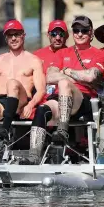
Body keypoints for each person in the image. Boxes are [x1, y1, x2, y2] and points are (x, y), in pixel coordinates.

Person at [20, 15, 104, 165]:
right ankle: (34, 156)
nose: (80, 34)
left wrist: (67, 72)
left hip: (83, 100)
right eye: (76, 30)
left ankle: (62, 132)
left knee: (64, 83)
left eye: (84, 31)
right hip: (61, 97)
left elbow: (91, 77)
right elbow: (50, 76)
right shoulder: (63, 53)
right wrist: (78, 75)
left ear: (91, 33)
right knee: (42, 109)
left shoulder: (99, 54)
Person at [0, 19, 46, 164]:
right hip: (2, 101)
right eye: (10, 35)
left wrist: (31, 105)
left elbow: (41, 90)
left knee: (12, 83)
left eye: (17, 34)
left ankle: (4, 131)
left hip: (22, 100)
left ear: (23, 36)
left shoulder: (34, 60)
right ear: (6, 38)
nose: (13, 38)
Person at [19, 20, 69, 165]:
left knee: (44, 109)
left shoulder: (71, 54)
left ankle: (40, 155)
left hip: (60, 101)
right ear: (48, 35)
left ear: (66, 36)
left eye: (61, 34)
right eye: (54, 34)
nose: (57, 37)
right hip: (38, 98)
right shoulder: (37, 56)